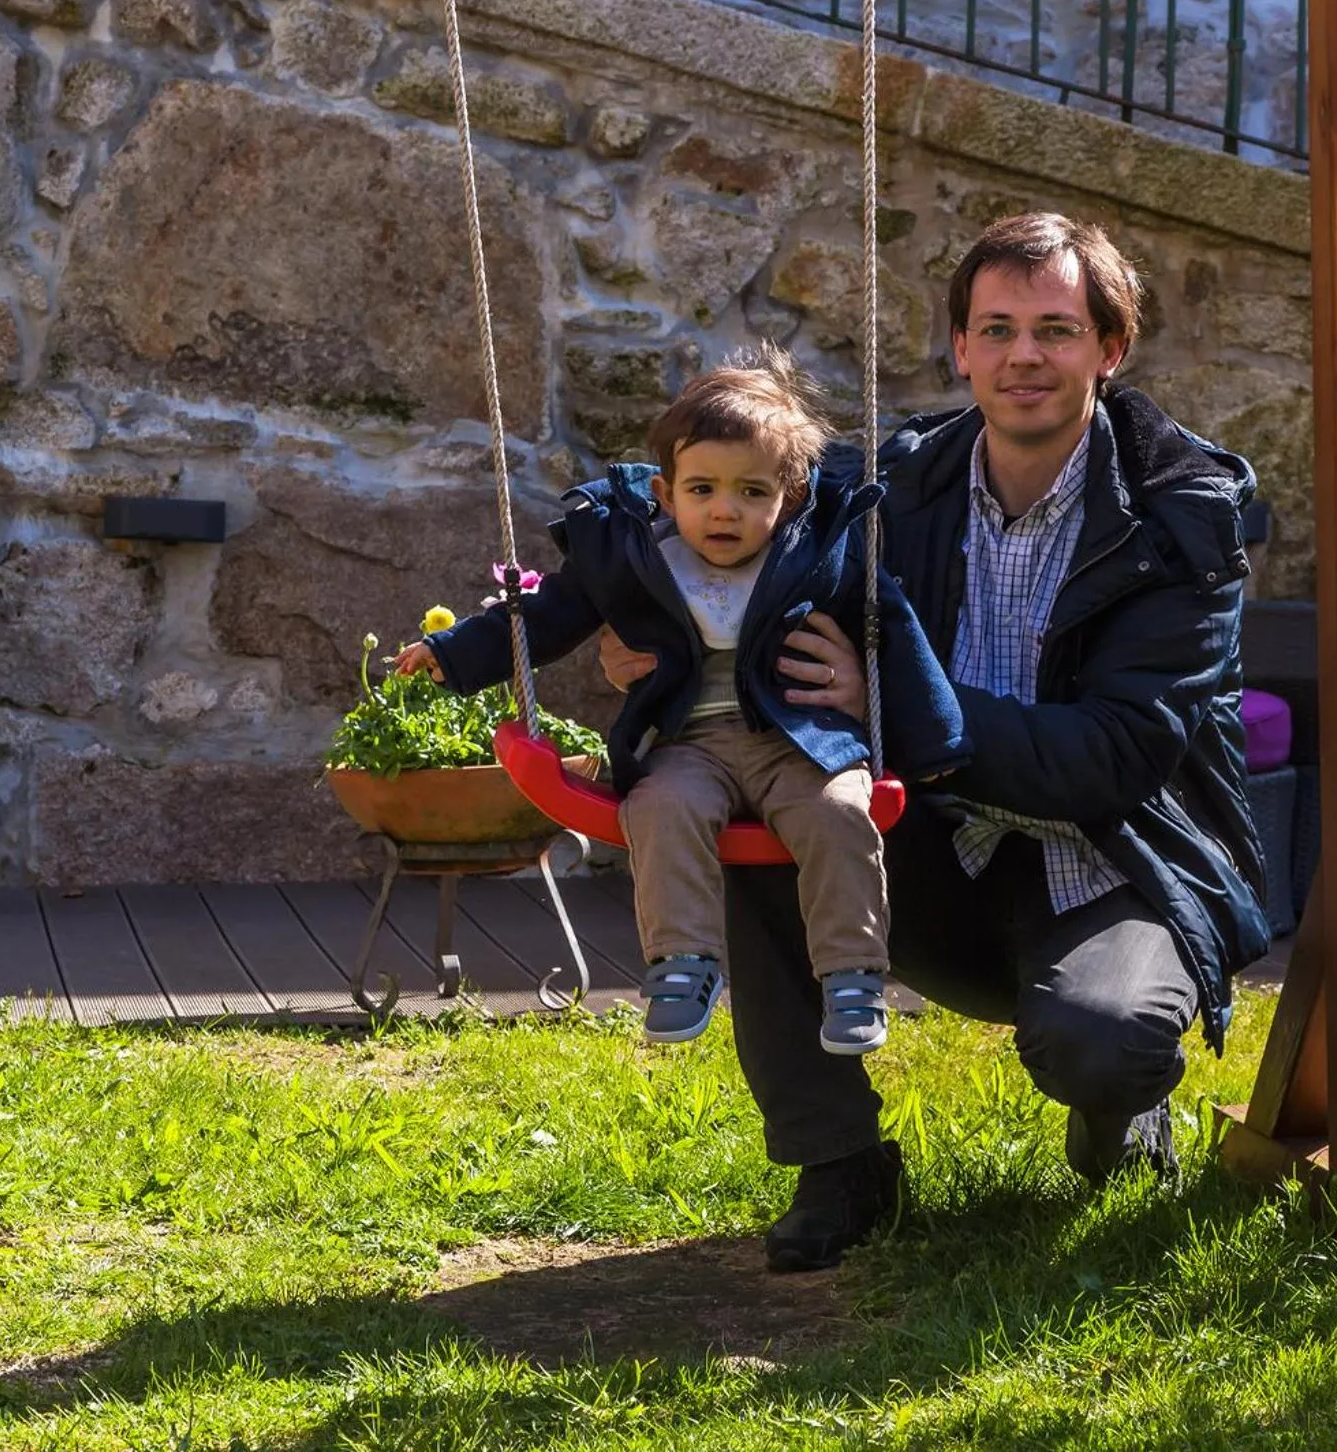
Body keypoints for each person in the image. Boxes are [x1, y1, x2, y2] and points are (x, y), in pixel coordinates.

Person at [601, 213, 1268, 1273]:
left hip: (1112, 860)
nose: (1021, 357)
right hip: (925, 852)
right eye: (995, 329)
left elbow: (1112, 759)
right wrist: (655, 638)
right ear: (959, 347)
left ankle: (1119, 1106)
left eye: (1054, 330)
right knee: (772, 818)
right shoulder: (887, 486)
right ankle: (838, 1160)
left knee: (1102, 1038)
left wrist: (900, 704)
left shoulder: (1179, 516)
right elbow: (717, 532)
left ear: (1109, 348)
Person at [397, 342, 967, 1055]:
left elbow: (893, 625)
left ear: (789, 496)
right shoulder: (635, 552)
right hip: (687, 744)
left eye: (751, 492)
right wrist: (453, 653)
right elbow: (545, 614)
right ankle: (682, 963)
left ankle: (852, 973)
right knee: (659, 808)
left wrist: (933, 737)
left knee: (839, 812)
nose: (724, 510)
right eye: (702, 490)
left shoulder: (821, 550)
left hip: (800, 740)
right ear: (666, 495)